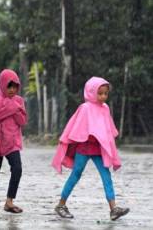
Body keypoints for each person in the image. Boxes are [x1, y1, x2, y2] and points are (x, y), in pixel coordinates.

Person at [52, 76, 129, 221]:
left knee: (106, 175)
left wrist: (107, 144)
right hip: (84, 147)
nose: (103, 96)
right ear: (91, 92)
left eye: (105, 93)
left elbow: (106, 129)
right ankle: (61, 205)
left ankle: (113, 208)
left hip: (98, 149)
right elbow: (78, 127)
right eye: (100, 93)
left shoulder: (105, 108)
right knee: (76, 174)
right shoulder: (85, 108)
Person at [0, 69, 27, 216]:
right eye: (9, 86)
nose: (12, 90)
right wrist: (11, 108)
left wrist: (15, 108)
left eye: (15, 86)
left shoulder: (19, 101)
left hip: (12, 143)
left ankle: (9, 201)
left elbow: (22, 121)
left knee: (17, 169)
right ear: (2, 85)